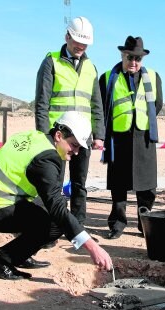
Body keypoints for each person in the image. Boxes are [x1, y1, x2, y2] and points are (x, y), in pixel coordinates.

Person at [0, 111, 113, 280]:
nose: (76, 152)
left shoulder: (35, 137)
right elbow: (57, 207)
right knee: (55, 224)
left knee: (43, 214)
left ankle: (19, 255)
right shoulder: (46, 160)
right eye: (74, 145)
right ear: (58, 135)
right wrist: (92, 246)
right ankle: (0, 260)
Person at [34, 16, 105, 234]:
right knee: (53, 184)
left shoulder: (91, 68)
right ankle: (52, 228)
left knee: (79, 184)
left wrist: (99, 134)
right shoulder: (51, 61)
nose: (80, 47)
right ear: (67, 36)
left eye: (85, 44)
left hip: (83, 137)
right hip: (59, 136)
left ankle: (77, 227)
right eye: (77, 41)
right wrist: (44, 134)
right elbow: (41, 102)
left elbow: (96, 104)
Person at [99, 36, 163, 239]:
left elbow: (157, 104)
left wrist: (144, 120)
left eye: (138, 58)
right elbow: (101, 107)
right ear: (122, 55)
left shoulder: (153, 76)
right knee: (118, 185)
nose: (133, 62)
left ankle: (145, 224)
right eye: (130, 57)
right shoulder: (108, 77)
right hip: (118, 137)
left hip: (144, 136)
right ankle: (117, 224)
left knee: (147, 186)